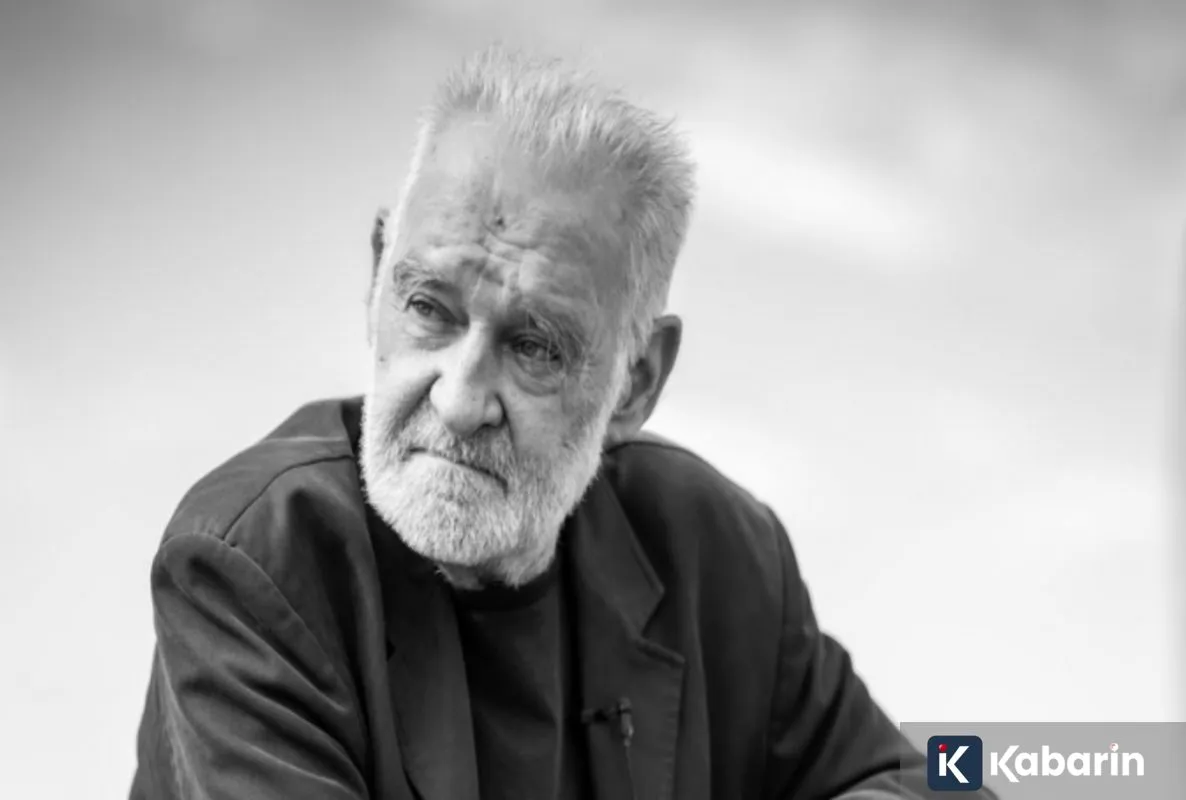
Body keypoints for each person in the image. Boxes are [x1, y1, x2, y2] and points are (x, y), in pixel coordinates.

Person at [130, 45, 990, 800]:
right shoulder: (253, 561)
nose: (459, 401)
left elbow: (933, 782)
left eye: (535, 347)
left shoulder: (717, 551)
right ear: (377, 277)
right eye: (428, 307)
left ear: (636, 382)